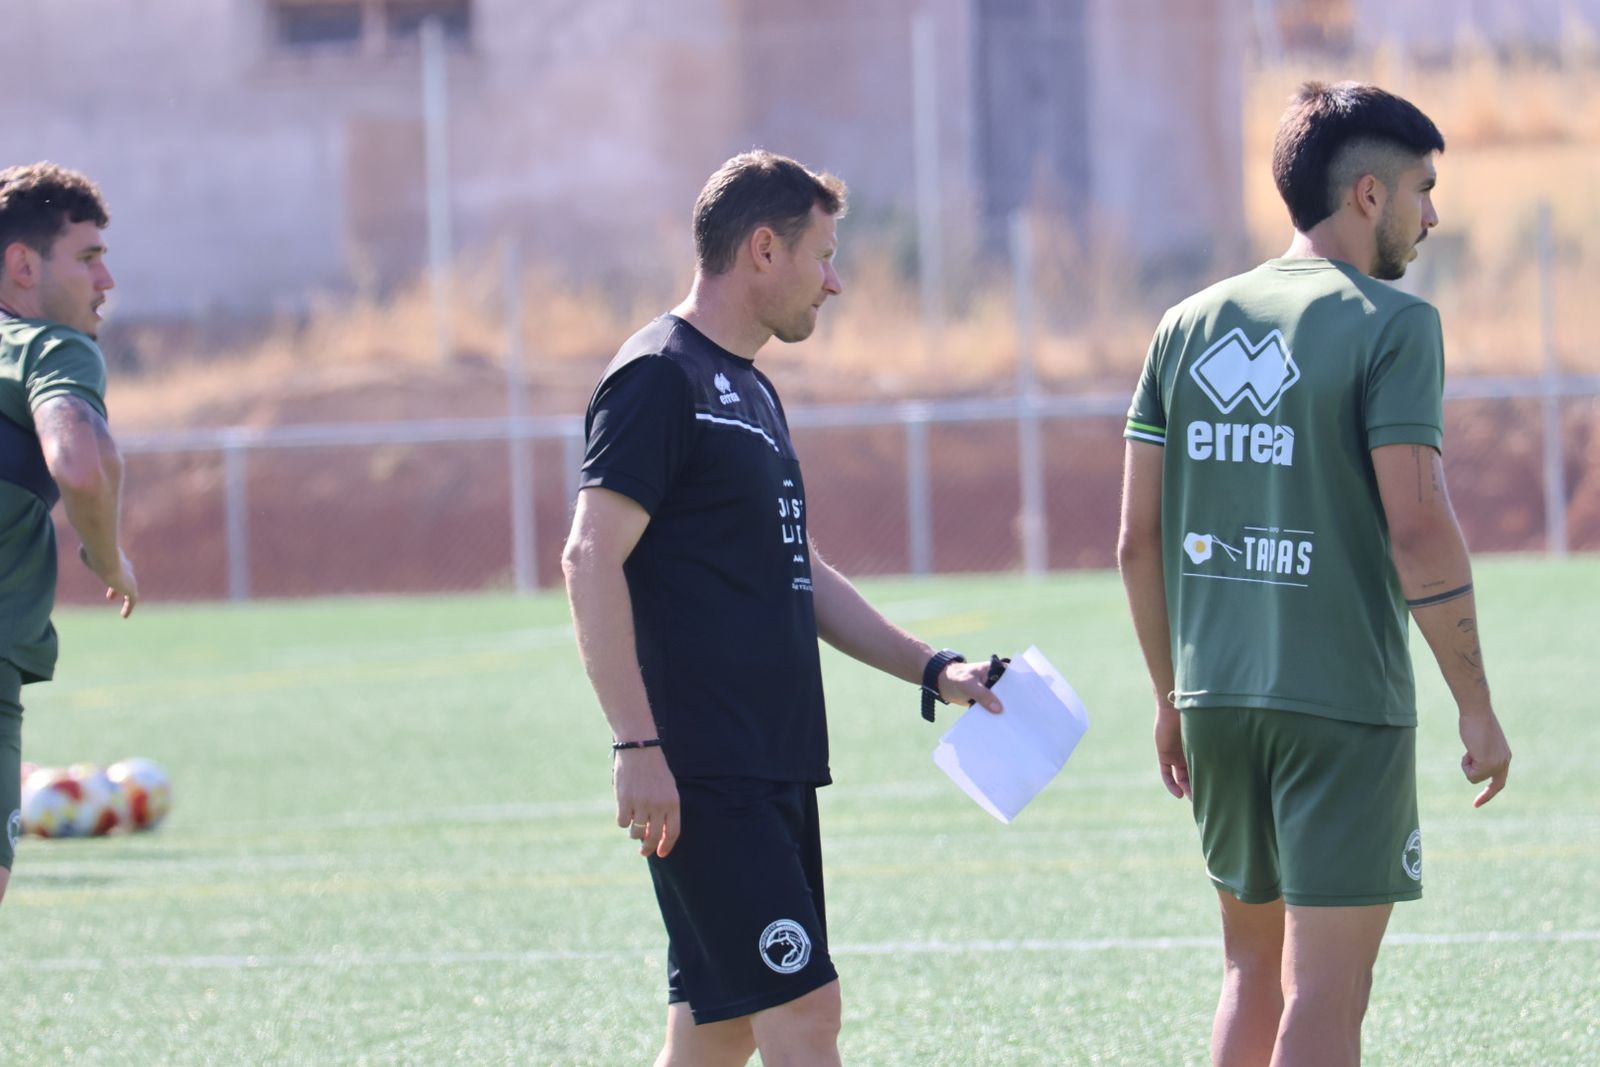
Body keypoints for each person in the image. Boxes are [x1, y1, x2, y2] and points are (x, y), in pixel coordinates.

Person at [562, 150, 1003, 1067]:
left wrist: (934, 669)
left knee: (717, 1033)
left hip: (773, 763)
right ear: (764, 249)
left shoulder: (752, 389)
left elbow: (796, 570)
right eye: (824, 254)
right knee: (805, 1011)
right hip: (702, 769)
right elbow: (589, 554)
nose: (835, 281)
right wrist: (636, 745)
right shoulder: (657, 377)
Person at [1117, 82, 1512, 1067]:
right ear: (1367, 195)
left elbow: (1135, 539)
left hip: (1212, 695)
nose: (1434, 216)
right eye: (1424, 189)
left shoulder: (1185, 322)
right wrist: (1475, 702)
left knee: (1249, 973)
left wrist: (1171, 696)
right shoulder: (1391, 322)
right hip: (1336, 699)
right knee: (1327, 989)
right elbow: (1417, 529)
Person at [0, 162, 138, 904]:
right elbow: (84, 463)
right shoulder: (47, 346)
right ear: (22, 266)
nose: (106, 280)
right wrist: (108, 556)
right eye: (87, 258)